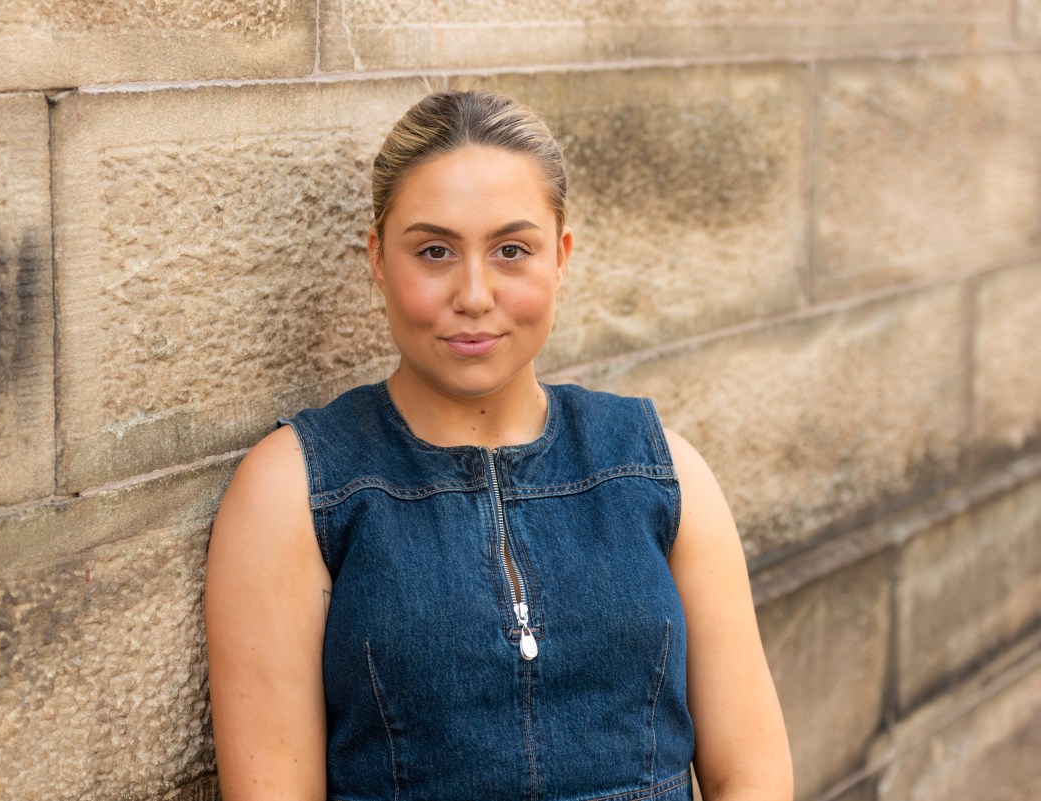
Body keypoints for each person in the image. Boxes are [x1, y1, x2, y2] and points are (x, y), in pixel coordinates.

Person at [204, 89, 792, 801]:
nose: (475, 293)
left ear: (561, 257)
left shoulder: (658, 470)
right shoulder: (295, 490)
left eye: (512, 249)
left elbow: (752, 774)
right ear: (378, 260)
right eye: (434, 251)